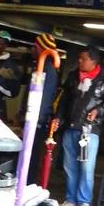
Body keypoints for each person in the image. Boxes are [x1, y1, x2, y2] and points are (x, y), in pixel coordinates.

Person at [55, 45, 104, 206]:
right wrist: (58, 117)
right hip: (70, 128)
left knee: (86, 167)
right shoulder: (73, 76)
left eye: (83, 59)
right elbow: (64, 100)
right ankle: (71, 200)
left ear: (93, 61)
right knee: (70, 167)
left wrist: (98, 111)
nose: (79, 61)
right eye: (79, 58)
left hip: (88, 131)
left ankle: (84, 203)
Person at [26, 34, 60, 184]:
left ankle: (28, 184)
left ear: (40, 49)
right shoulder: (39, 67)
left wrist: (36, 119)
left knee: (32, 155)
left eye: (34, 46)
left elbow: (45, 97)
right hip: (32, 118)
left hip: (36, 120)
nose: (31, 49)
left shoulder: (48, 71)